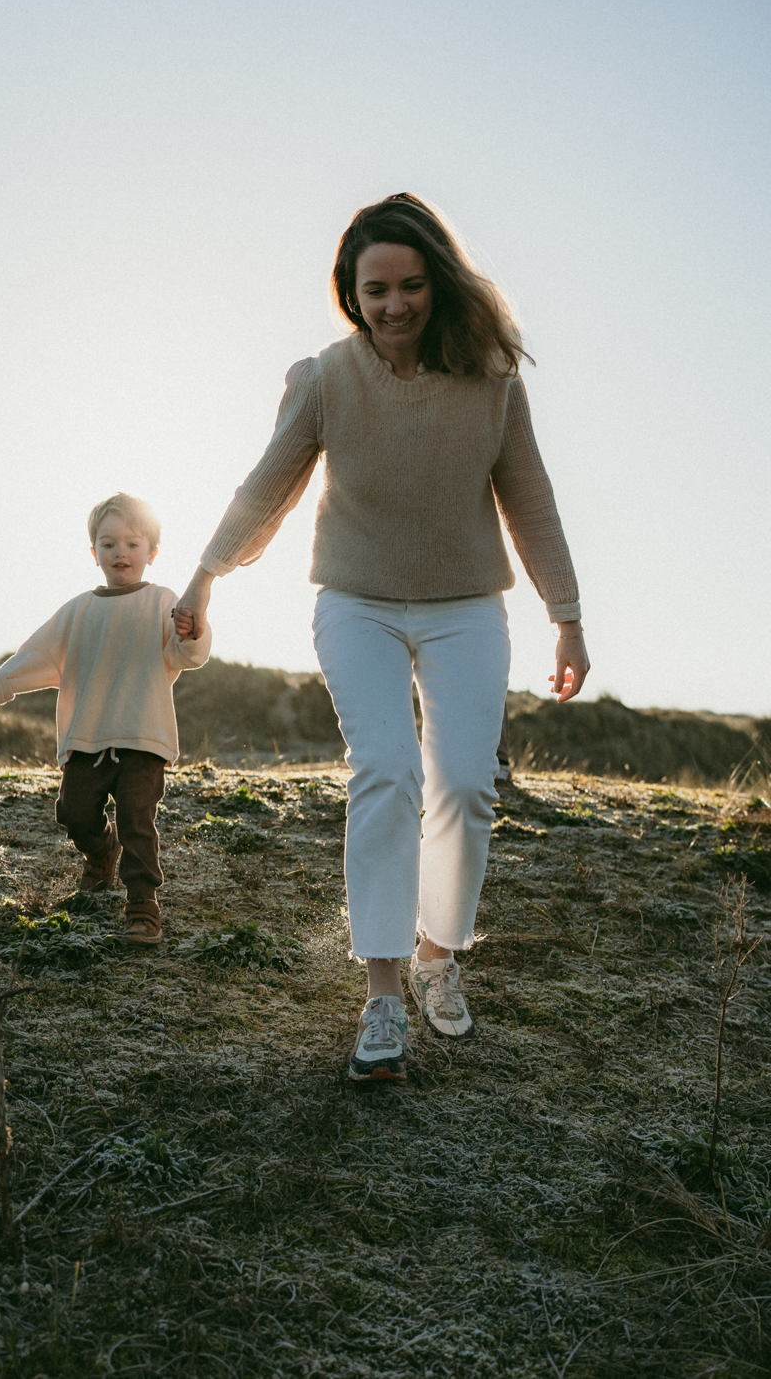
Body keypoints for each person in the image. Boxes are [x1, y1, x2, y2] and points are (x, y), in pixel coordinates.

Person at [175, 193, 588, 1080]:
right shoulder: (328, 377)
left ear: (438, 284)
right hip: (356, 602)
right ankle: (383, 995)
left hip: (465, 604)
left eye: (411, 286)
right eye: (376, 291)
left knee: (466, 785)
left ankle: (439, 955)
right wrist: (207, 573)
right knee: (388, 770)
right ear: (350, 294)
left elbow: (531, 498)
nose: (394, 305)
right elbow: (268, 486)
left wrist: (567, 616)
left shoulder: (493, 380)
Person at [0, 493, 212, 945]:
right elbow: (35, 657)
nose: (120, 553)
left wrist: (193, 632)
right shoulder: (78, 611)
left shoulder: (163, 602)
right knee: (73, 813)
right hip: (86, 737)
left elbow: (186, 654)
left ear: (152, 552)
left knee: (137, 821)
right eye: (108, 544)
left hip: (143, 736)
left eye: (132, 544)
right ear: (94, 553)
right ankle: (101, 850)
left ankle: (142, 905)